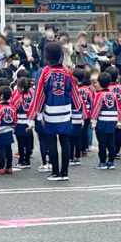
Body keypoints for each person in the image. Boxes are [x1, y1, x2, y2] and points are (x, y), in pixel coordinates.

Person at [28, 41, 84, 181]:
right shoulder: (67, 71)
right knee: (65, 141)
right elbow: (73, 92)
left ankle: (55, 172)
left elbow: (39, 93)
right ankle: (65, 172)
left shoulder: (44, 72)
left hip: (50, 111)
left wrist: (38, 112)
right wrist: (76, 107)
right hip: (65, 110)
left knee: (51, 140)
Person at [89, 72, 121, 170]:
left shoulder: (99, 95)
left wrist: (93, 122)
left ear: (99, 82)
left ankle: (102, 162)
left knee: (102, 143)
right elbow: (118, 107)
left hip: (102, 121)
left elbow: (96, 109)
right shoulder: (113, 94)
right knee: (111, 142)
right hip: (112, 120)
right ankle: (111, 162)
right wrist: (119, 120)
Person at [0, 86, 17, 175]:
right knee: (8, 149)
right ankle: (9, 167)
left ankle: (1, 167)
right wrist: (13, 127)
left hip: (0, 131)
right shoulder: (12, 106)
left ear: (1, 96)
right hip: (9, 130)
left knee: (0, 150)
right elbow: (15, 118)